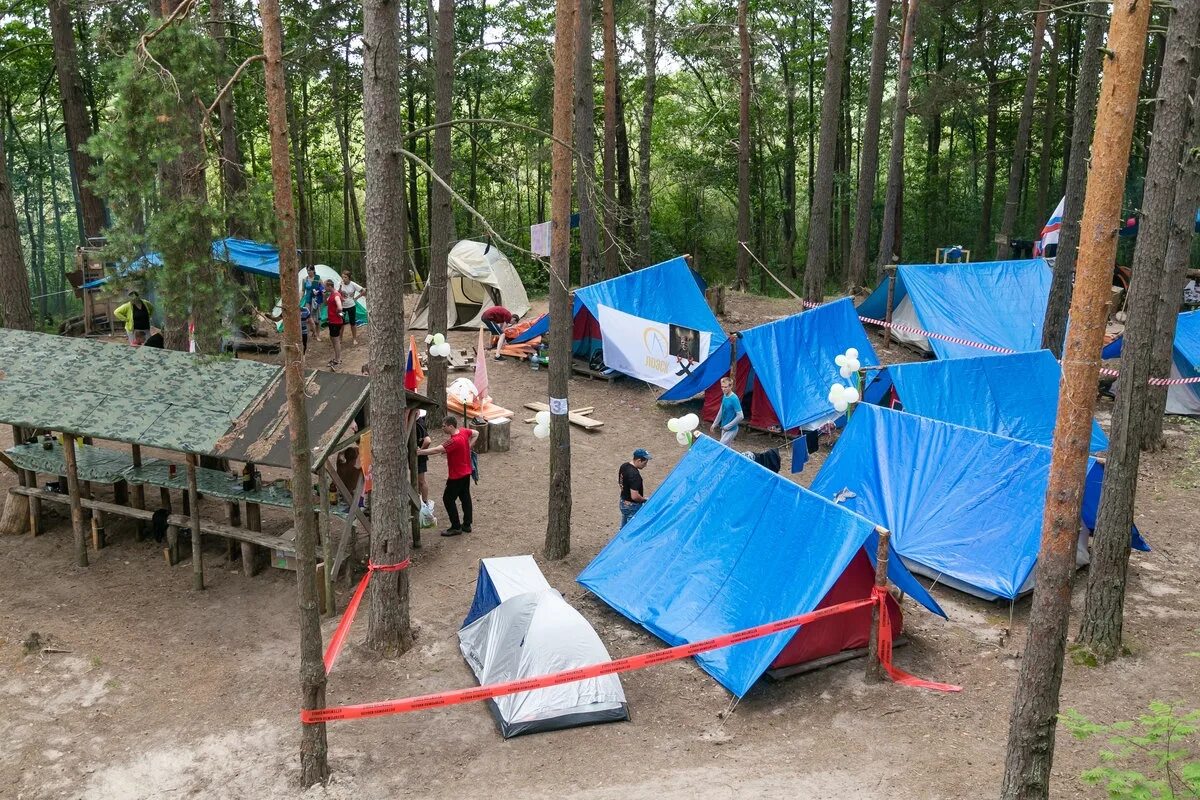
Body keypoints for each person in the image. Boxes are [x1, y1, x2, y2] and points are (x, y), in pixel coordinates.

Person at [418, 416, 479, 536]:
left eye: (444, 426)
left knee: (448, 499)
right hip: (466, 472)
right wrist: (469, 447)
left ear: (451, 426)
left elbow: (437, 450)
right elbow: (476, 433)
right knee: (465, 497)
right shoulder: (463, 431)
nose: (442, 428)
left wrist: (420, 452)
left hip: (456, 476)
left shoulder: (454, 441)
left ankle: (456, 526)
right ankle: (467, 524)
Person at [618, 449, 651, 528]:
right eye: (645, 463)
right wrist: (644, 500)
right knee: (631, 530)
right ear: (639, 460)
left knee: (624, 528)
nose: (645, 465)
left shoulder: (624, 466)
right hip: (632, 506)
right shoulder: (635, 475)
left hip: (623, 502)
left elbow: (620, 482)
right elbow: (635, 496)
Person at [710, 376, 744, 446]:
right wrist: (714, 424)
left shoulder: (734, 398)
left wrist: (728, 426)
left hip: (731, 429)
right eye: (722, 387)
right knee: (726, 449)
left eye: (725, 387)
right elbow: (721, 411)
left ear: (730, 386)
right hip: (724, 427)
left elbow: (740, 416)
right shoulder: (725, 395)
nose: (723, 389)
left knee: (721, 447)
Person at [339, 270, 365, 345]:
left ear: (349, 278)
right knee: (341, 323)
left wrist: (356, 298)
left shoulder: (353, 284)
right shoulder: (340, 284)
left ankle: (354, 339)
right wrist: (340, 288)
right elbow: (337, 293)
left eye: (345, 277)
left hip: (351, 306)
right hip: (342, 307)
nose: (343, 279)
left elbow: (363, 291)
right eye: (342, 277)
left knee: (352, 323)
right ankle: (340, 339)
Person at [324, 278, 343, 367]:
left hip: (336, 321)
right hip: (332, 321)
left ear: (329, 286)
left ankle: (338, 359)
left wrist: (336, 312)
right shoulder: (331, 294)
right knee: (333, 339)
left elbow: (340, 307)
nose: (324, 288)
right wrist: (324, 296)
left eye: (325, 286)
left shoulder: (336, 295)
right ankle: (336, 357)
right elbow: (326, 303)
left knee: (336, 340)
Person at [301, 266, 323, 341]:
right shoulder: (304, 279)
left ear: (314, 270)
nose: (309, 272)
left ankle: (318, 335)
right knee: (308, 318)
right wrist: (300, 299)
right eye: (308, 270)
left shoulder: (318, 279)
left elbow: (323, 289)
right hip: (308, 300)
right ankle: (313, 332)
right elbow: (303, 291)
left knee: (317, 319)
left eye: (310, 270)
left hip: (316, 300)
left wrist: (319, 292)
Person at [415, 410, 432, 503]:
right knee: (418, 480)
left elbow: (428, 440)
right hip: (418, 455)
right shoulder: (418, 421)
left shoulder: (418, 424)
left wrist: (421, 450)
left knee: (421, 481)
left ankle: (425, 502)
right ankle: (418, 499)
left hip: (420, 456)